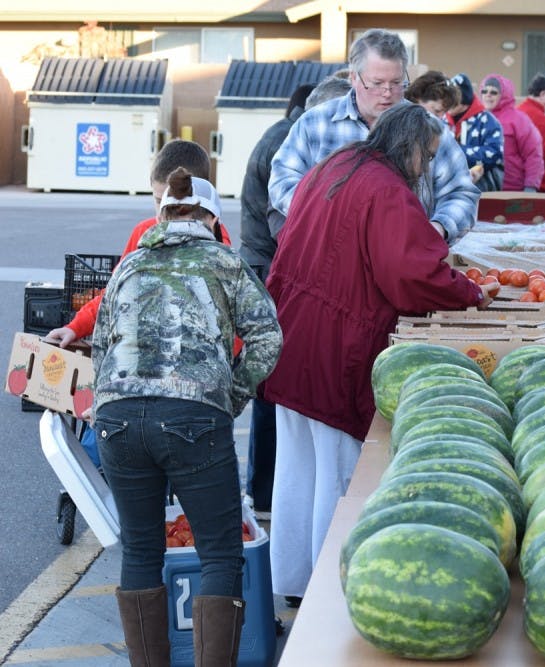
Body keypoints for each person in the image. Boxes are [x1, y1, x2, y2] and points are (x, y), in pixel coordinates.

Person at [262, 104, 489, 604]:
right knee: (341, 471)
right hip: (337, 338)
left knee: (296, 463)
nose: (427, 168)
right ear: (408, 146)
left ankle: (294, 582)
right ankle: (330, 589)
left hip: (291, 328)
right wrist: (467, 292)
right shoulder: (386, 189)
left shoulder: (335, 165)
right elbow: (410, 272)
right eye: (427, 157)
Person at [91, 168, 282, 666]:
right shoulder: (225, 262)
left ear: (162, 217)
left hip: (117, 417)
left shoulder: (129, 266)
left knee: (140, 552)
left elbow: (100, 347)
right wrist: (232, 396)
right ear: (212, 220)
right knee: (219, 555)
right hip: (194, 416)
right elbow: (268, 338)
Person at [239, 78, 351, 522]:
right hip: (272, 270)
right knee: (275, 385)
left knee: (278, 385)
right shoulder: (287, 145)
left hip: (270, 266)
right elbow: (286, 223)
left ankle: (267, 490)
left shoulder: (282, 135)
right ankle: (263, 492)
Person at [269, 28, 479, 245]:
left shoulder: (431, 130)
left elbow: (461, 193)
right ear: (353, 78)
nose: (387, 92)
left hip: (407, 260)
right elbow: (282, 182)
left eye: (397, 83)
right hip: (332, 256)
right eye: (377, 83)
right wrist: (325, 217)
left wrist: (439, 228)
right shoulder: (315, 123)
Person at [46, 140, 229, 348]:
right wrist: (75, 327)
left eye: (174, 203)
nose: (163, 213)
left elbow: (232, 315)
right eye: (159, 201)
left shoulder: (218, 242)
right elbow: (114, 293)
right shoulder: (144, 233)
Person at [479, 73, 543, 192]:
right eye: (484, 91)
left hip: (511, 190)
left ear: (504, 95)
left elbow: (533, 154)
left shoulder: (519, 120)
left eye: (494, 92)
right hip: (483, 189)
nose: (488, 95)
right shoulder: (477, 119)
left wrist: (530, 186)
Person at [447, 72, 505, 191]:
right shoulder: (442, 119)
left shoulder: (487, 121)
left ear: (464, 100)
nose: (448, 105)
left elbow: (494, 153)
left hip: (480, 189)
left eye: (453, 100)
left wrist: (457, 154)